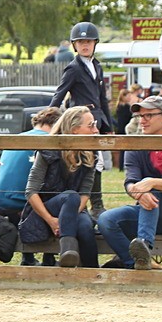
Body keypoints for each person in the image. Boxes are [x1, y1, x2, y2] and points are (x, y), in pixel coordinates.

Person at [97, 96, 162, 269]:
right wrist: (139, 191)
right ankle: (138, 262)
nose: (142, 120)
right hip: (147, 210)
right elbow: (130, 182)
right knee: (106, 219)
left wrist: (151, 183)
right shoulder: (135, 144)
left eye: (148, 115)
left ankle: (144, 244)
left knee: (153, 188)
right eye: (140, 116)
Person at [18, 106, 100, 268]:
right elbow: (31, 191)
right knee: (71, 196)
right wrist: (51, 220)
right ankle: (67, 249)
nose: (96, 130)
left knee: (85, 226)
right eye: (91, 125)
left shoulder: (91, 154)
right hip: (45, 209)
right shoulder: (47, 150)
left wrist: (68, 217)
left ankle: (92, 270)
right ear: (74, 129)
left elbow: (85, 192)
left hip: (75, 208)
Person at [49, 21, 111, 219]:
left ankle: (97, 204)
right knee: (86, 161)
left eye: (89, 42)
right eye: (81, 42)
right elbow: (59, 94)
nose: (85, 45)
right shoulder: (73, 68)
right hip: (80, 122)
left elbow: (102, 98)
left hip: (97, 122)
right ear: (74, 45)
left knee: (97, 161)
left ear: (95, 44)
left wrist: (109, 125)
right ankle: (89, 204)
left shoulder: (97, 66)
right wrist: (49, 118)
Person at [0, 106, 63, 266]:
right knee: (55, 197)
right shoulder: (50, 141)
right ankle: (49, 257)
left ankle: (29, 258)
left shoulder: (17, 138)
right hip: (22, 205)